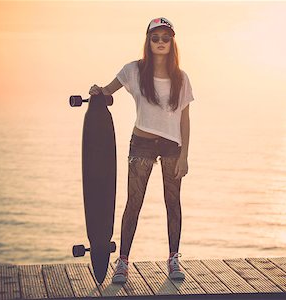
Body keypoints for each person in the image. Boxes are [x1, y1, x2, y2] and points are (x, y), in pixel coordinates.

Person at [89, 17, 194, 284]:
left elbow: (184, 118)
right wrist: (97, 92)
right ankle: (122, 262)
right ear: (148, 41)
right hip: (142, 144)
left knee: (173, 203)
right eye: (155, 37)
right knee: (133, 203)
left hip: (172, 145)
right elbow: (107, 90)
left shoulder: (181, 78)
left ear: (172, 42)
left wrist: (184, 155)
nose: (160, 42)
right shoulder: (134, 71)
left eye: (165, 38)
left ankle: (173, 259)